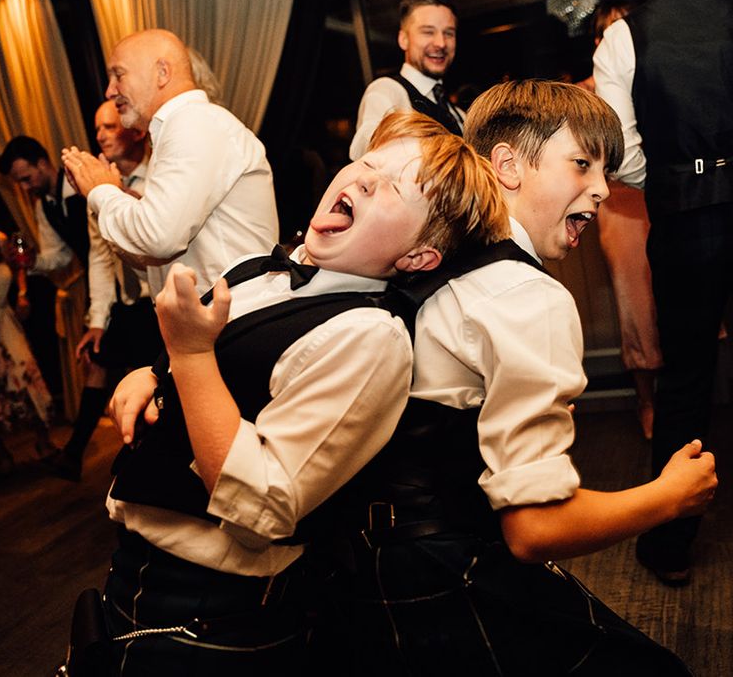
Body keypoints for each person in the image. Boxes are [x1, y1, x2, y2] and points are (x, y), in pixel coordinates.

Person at [304, 81, 717, 675]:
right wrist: (668, 497)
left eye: (606, 171)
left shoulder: (417, 252)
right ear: (507, 166)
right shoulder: (528, 295)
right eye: (582, 163)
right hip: (437, 571)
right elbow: (534, 529)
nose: (602, 189)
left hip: (344, 569)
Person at [86, 111, 503, 675]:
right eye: (369, 164)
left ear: (417, 257)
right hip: (133, 569)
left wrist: (188, 357)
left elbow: (261, 507)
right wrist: (153, 373)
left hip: (211, 606)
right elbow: (220, 359)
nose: (364, 180)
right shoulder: (264, 270)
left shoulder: (370, 336)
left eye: (396, 189)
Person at [593, 0, 733, 586]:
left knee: (685, 382)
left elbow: (623, 156)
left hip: (686, 219)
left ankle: (669, 545)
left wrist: (680, 173)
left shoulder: (624, 36)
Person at [62, 28, 279, 297]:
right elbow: (154, 267)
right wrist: (111, 198)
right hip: (213, 322)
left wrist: (103, 192)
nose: (109, 91)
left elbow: (158, 239)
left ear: (162, 72)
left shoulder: (194, 121)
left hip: (237, 316)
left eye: (119, 75)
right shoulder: (176, 132)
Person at [43, 101, 162, 482]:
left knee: (156, 388)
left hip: (159, 301)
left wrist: (122, 193)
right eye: (97, 128)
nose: (100, 135)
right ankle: (77, 454)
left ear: (136, 132)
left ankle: (157, 467)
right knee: (98, 357)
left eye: (110, 126)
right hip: (127, 301)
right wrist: (96, 320)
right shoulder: (93, 189)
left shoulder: (163, 175)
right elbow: (99, 256)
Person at [579, 1, 662, 441]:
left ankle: (685, 398)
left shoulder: (654, 77)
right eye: (610, 30)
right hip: (620, 207)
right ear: (599, 41)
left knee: (678, 297)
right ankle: (647, 401)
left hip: (663, 200)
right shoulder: (585, 96)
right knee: (637, 309)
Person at [0, 136, 89, 399]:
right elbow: (58, 257)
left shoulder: (79, 184)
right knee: (97, 359)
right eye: (19, 183)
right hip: (97, 277)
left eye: (26, 178)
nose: (25, 188)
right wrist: (32, 261)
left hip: (123, 272)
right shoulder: (43, 207)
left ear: (42, 163)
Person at [349, 0, 464, 161]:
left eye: (449, 33)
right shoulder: (388, 91)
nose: (441, 43)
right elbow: (363, 150)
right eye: (428, 32)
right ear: (404, 39)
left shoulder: (458, 114)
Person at [0, 205, 54, 476]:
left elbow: (20, 266)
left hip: (6, 319)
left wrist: (22, 293)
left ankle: (43, 441)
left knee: (25, 374)